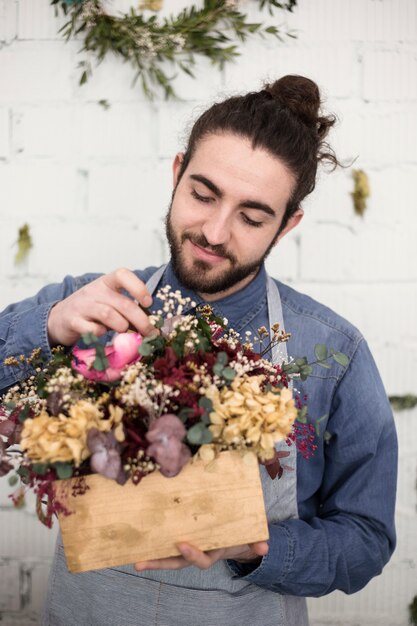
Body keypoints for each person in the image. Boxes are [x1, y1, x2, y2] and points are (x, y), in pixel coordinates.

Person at [0, 75, 397, 626]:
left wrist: (259, 549)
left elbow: (366, 538)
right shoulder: (86, 306)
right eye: (202, 194)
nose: (214, 231)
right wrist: (46, 326)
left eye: (252, 217)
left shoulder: (333, 351)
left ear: (287, 226)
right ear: (176, 173)